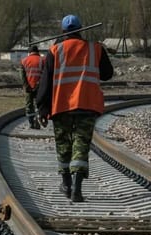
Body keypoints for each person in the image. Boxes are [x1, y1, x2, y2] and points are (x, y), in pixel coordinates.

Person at [36, 14, 113, 202]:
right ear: (81, 29)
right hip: (87, 104)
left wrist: (42, 109)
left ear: (63, 32)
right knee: (81, 145)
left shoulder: (54, 51)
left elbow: (45, 84)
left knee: (63, 146)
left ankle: (66, 184)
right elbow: (107, 74)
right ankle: (77, 189)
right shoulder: (96, 49)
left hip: (61, 105)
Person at [20, 44, 43, 129]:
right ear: (38, 52)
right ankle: (39, 120)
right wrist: (39, 84)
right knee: (40, 104)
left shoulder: (24, 61)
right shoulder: (43, 60)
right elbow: (45, 75)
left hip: (28, 88)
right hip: (40, 88)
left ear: (29, 52)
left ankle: (31, 122)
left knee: (29, 105)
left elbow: (22, 76)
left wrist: (26, 86)